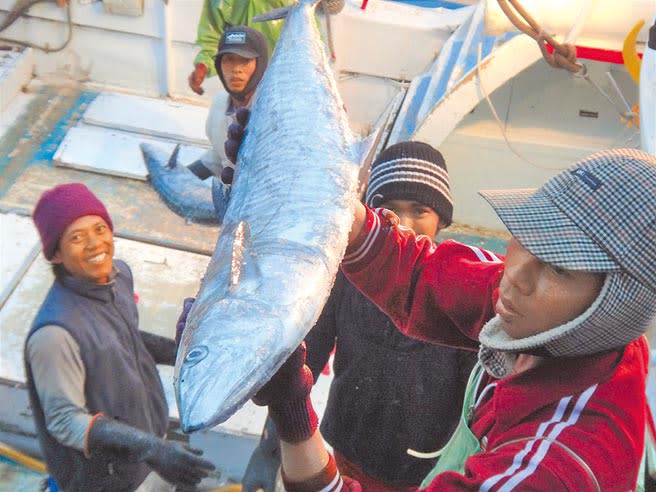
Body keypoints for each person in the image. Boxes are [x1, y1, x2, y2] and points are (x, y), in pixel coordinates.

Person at [252, 148, 656, 491]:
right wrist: (322, 202)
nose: (514, 276)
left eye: (561, 268)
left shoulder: (557, 465)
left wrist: (292, 413)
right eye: (527, 236)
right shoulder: (552, 320)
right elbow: (419, 274)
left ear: (618, 303)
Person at [242, 142, 478, 492]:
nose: (404, 225)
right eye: (387, 208)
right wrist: (270, 447)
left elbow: (476, 402)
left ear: (442, 218)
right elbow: (303, 361)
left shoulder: (459, 289)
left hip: (428, 472)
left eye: (420, 211)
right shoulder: (344, 277)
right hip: (348, 452)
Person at [25, 183, 215, 492]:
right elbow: (65, 421)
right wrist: (151, 448)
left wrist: (189, 355)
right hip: (104, 481)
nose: (94, 243)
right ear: (55, 254)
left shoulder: (118, 277)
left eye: (99, 228)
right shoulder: (54, 335)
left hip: (149, 454)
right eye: (76, 237)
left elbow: (124, 338)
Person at [188, 25, 269, 185]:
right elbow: (219, 157)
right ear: (219, 65)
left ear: (260, 65)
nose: (236, 70)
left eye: (245, 61)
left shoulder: (272, 110)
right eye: (228, 60)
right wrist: (180, 175)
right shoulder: (220, 103)